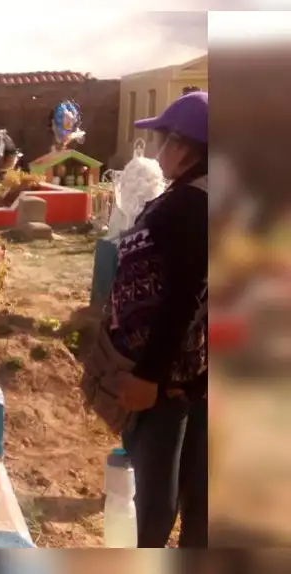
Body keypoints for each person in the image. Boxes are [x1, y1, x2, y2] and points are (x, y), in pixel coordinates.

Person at [110, 91, 208, 547]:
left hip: (166, 380)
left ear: (186, 148)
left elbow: (182, 300)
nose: (158, 151)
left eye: (165, 140)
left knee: (157, 500)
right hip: (193, 377)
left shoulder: (186, 208)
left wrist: (148, 374)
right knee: (199, 493)